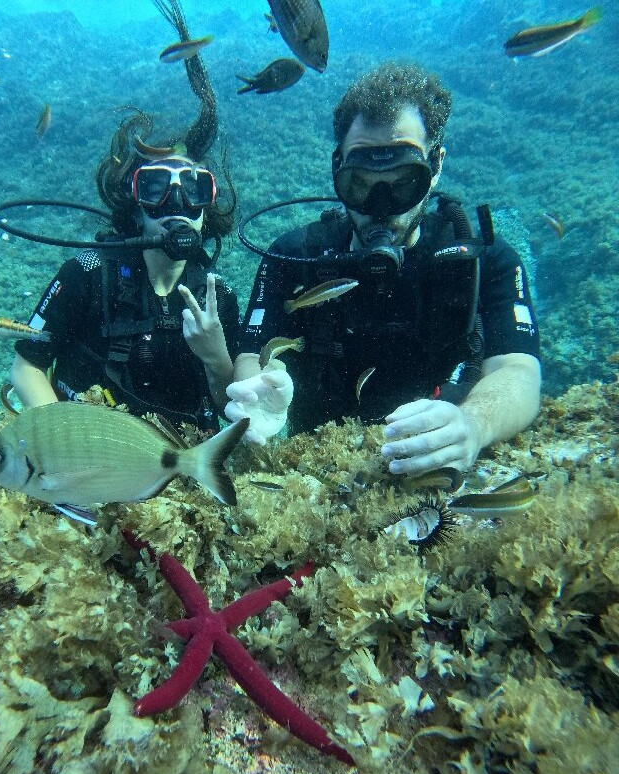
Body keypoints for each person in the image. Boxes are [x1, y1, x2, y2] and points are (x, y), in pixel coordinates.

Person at [226, 61, 541, 476]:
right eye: (361, 183)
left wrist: (475, 423)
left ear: (436, 165)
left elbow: (518, 369)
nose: (381, 207)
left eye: (403, 183)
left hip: (434, 469)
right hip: (316, 475)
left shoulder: (485, 261)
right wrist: (255, 392)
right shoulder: (293, 257)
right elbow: (253, 350)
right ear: (337, 168)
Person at [10, 3, 239, 432]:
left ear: (208, 207)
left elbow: (230, 407)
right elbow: (26, 366)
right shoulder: (86, 273)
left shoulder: (217, 297)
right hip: (94, 461)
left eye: (193, 191)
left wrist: (216, 356)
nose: (176, 207)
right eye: (155, 189)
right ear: (133, 204)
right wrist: (68, 447)